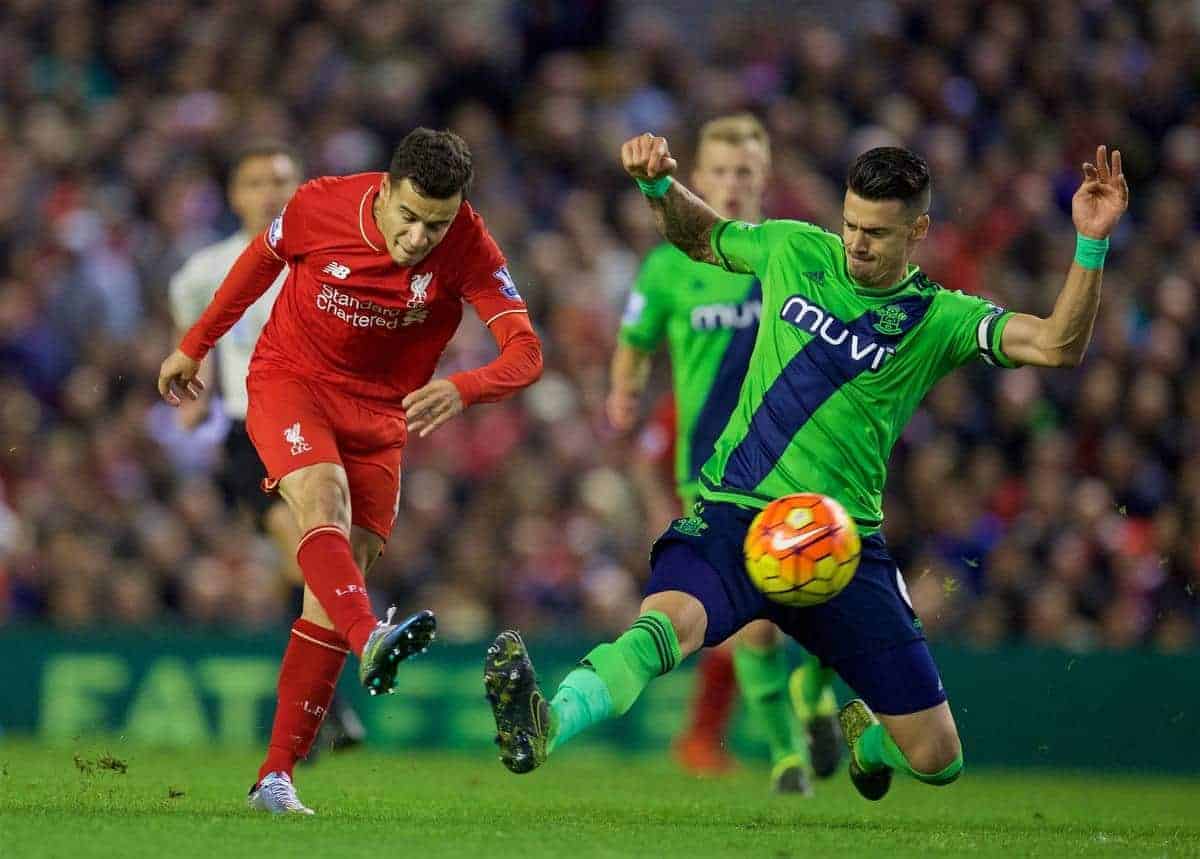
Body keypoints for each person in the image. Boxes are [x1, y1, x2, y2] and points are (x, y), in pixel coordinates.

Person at [486, 135, 1127, 801]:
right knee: (666, 621)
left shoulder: (940, 318)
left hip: (842, 548)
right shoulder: (795, 248)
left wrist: (1091, 243)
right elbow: (703, 237)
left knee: (939, 758)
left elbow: (1057, 345)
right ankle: (548, 721)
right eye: (851, 223)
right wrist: (658, 187)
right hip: (737, 514)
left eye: (877, 232)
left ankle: (865, 736)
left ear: (919, 230)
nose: (857, 243)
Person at [159, 128, 543, 813]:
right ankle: (372, 637)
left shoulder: (470, 244)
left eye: (438, 223)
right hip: (290, 380)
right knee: (322, 498)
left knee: (330, 590)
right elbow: (255, 263)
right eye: (411, 217)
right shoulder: (319, 205)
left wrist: (465, 387)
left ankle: (275, 776)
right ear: (387, 188)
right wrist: (194, 346)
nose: (422, 236)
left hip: (380, 417)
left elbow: (525, 352)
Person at [606, 114, 839, 793]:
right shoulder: (667, 264)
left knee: (828, 595)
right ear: (696, 178)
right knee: (756, 626)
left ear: (764, 179)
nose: (732, 185)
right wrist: (623, 390)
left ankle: (816, 697)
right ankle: (787, 755)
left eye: (745, 173)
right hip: (709, 470)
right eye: (720, 173)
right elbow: (637, 336)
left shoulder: (794, 256)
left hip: (802, 456)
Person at [167, 142, 366, 753]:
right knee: (307, 547)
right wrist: (193, 399)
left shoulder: (328, 260)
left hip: (324, 429)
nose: (269, 192)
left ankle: (314, 708)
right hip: (250, 432)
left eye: (281, 180)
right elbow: (194, 345)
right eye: (256, 182)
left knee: (305, 566)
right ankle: (346, 677)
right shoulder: (202, 272)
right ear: (235, 194)